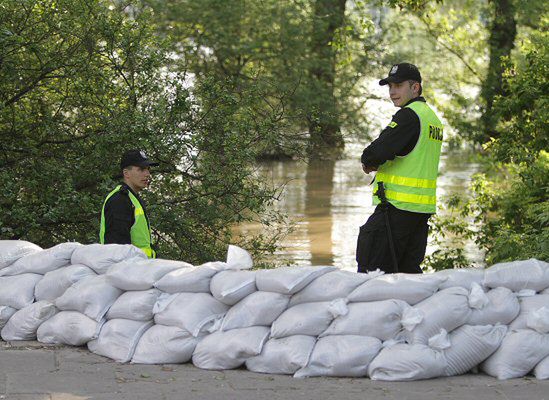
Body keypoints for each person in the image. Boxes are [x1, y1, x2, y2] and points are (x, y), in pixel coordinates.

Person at [357, 63, 443, 274]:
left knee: (372, 273)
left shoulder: (409, 116)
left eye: (398, 85)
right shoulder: (433, 119)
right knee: (407, 274)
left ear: (415, 88)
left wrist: (368, 161)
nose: (392, 91)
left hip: (395, 210)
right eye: (390, 86)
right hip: (419, 213)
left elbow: (377, 152)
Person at [99, 149, 159, 258]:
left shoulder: (131, 198)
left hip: (140, 269)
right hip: (128, 272)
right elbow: (117, 249)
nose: (147, 174)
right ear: (126, 173)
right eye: (141, 169)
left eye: (148, 169)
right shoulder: (120, 200)